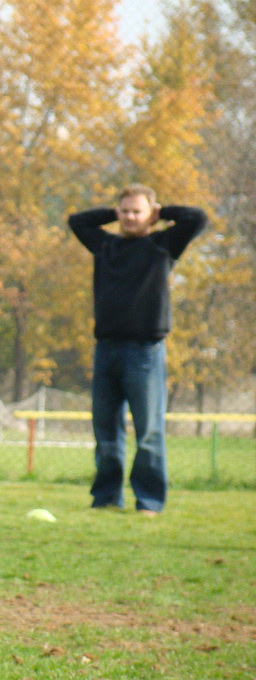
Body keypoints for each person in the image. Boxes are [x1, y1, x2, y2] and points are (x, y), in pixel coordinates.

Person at [68, 185, 207, 516]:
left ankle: (149, 500)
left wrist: (164, 212)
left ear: (151, 214)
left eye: (137, 211)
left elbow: (197, 218)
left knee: (148, 432)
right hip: (106, 351)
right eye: (124, 211)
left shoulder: (162, 245)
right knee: (106, 431)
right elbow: (77, 221)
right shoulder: (105, 246)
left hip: (145, 352)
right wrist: (111, 213)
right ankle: (106, 497)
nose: (129, 217)